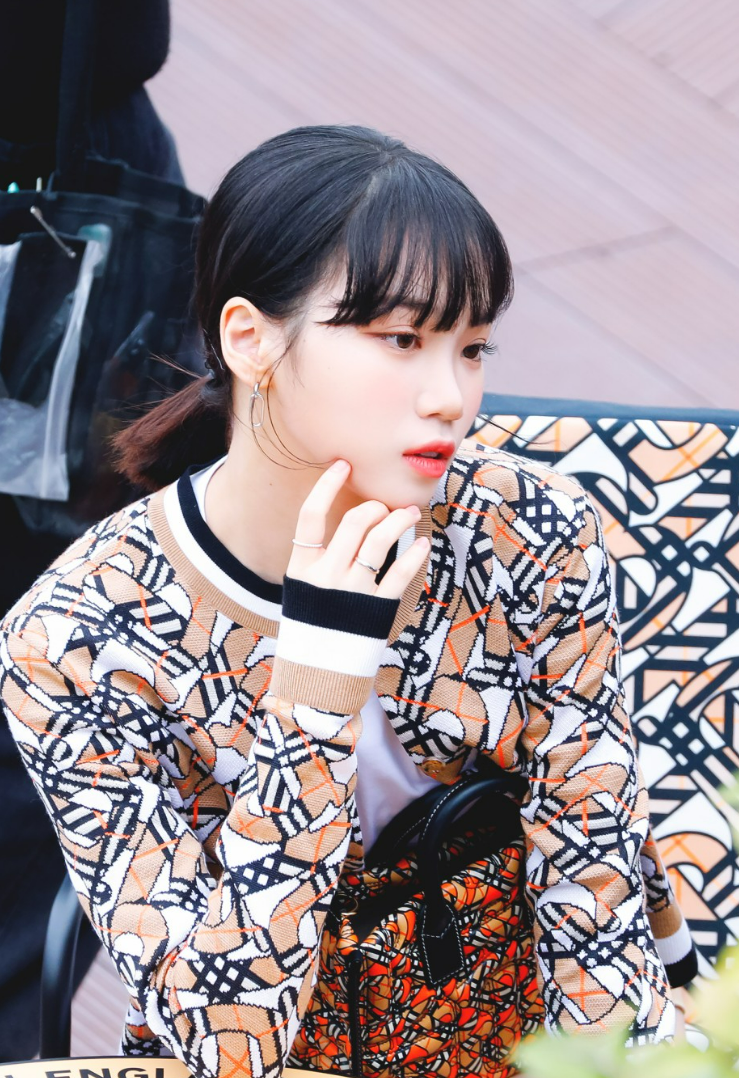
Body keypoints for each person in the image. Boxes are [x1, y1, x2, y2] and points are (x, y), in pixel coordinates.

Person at [0, 125, 696, 1075]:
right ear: (250, 339)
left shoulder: (525, 532)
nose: (451, 396)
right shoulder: (74, 640)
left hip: (529, 1043)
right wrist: (319, 680)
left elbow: (594, 893)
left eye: (471, 347)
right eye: (401, 339)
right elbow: (229, 1040)